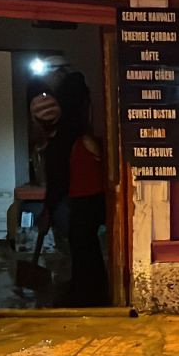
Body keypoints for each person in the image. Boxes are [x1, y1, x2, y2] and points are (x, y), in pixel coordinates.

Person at [28, 57, 109, 307]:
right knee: (86, 247)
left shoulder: (67, 137)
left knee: (82, 247)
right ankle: (90, 290)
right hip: (88, 197)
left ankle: (87, 294)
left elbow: (58, 179)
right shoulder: (79, 133)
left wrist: (49, 209)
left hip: (81, 198)